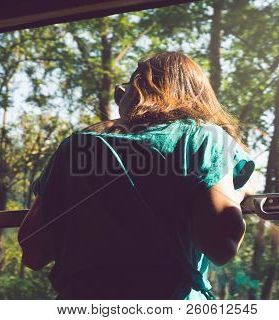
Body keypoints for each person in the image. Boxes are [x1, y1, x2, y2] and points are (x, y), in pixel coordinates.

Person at [18, 51, 256, 300]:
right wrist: (238, 191)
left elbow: (33, 251)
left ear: (137, 91)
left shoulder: (76, 148)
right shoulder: (204, 138)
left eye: (125, 88)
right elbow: (222, 247)